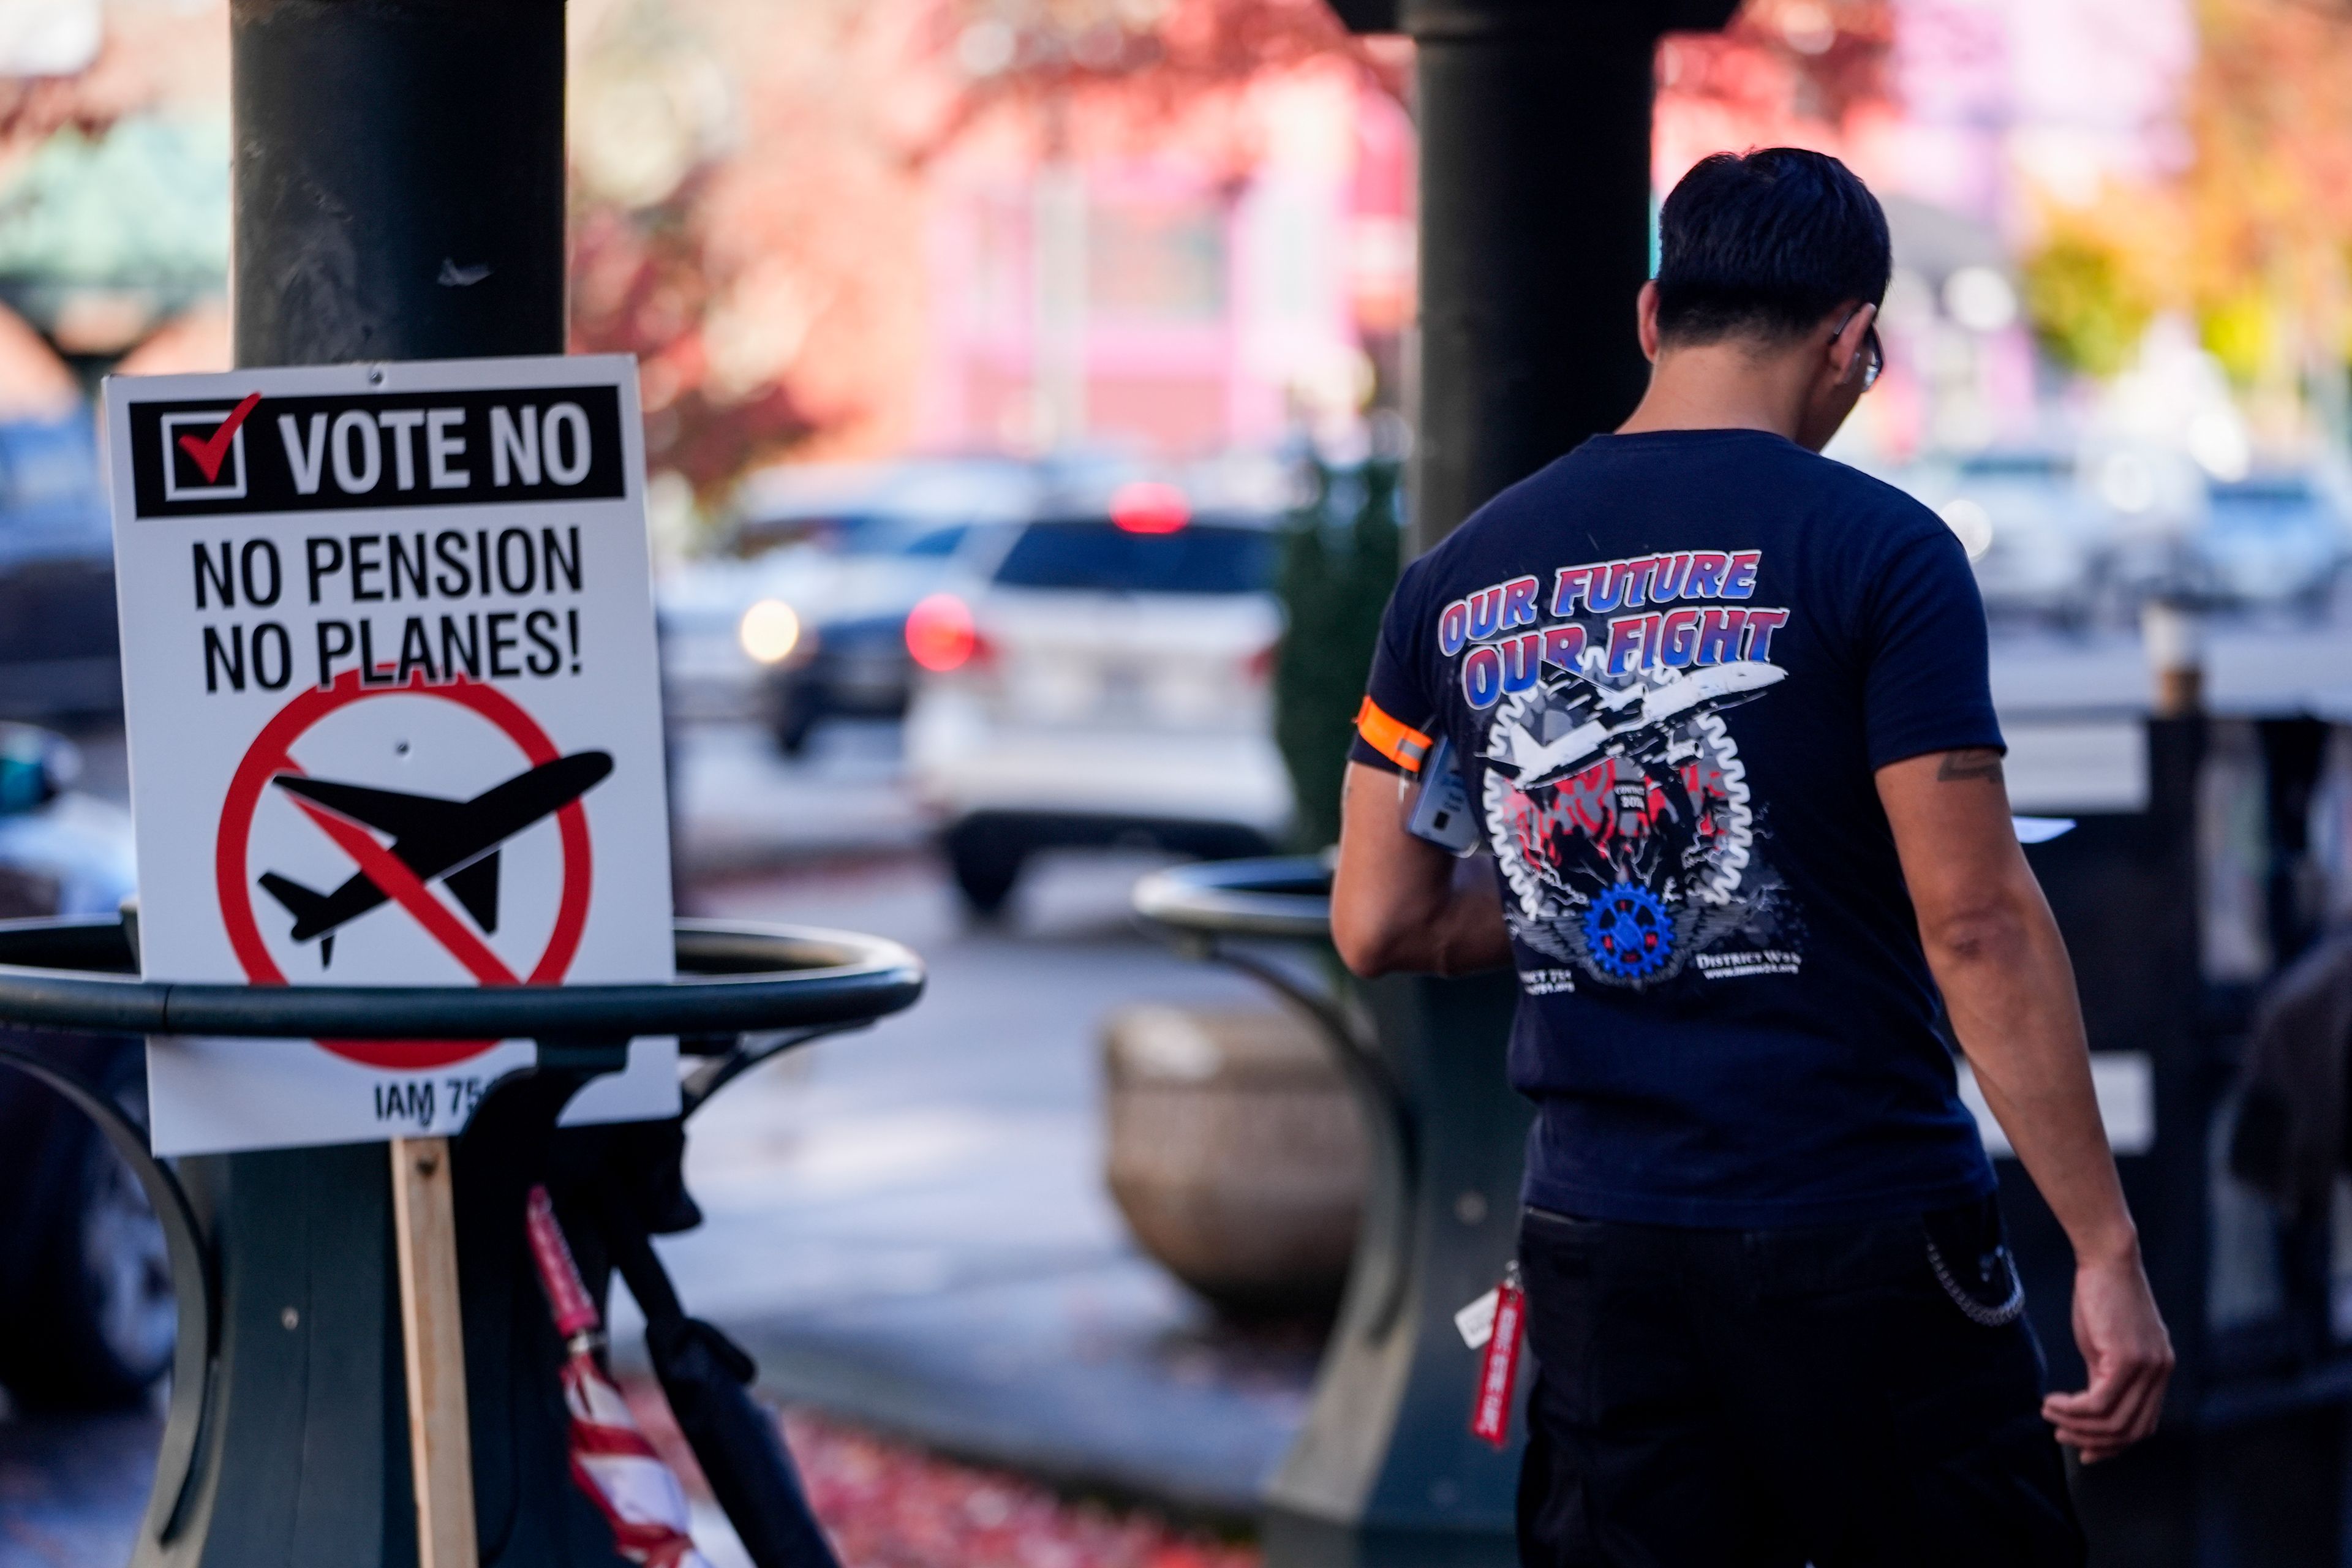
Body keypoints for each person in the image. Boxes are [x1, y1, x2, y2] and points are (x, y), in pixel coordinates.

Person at [1329, 148, 2171, 1567]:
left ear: (1653, 315)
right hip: (1859, 1220)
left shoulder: (1453, 579)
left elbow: (1377, 917)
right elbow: (1974, 921)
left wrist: (1601, 903)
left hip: (1601, 1239)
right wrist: (2107, 1248)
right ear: (1853, 338)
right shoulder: (1883, 552)